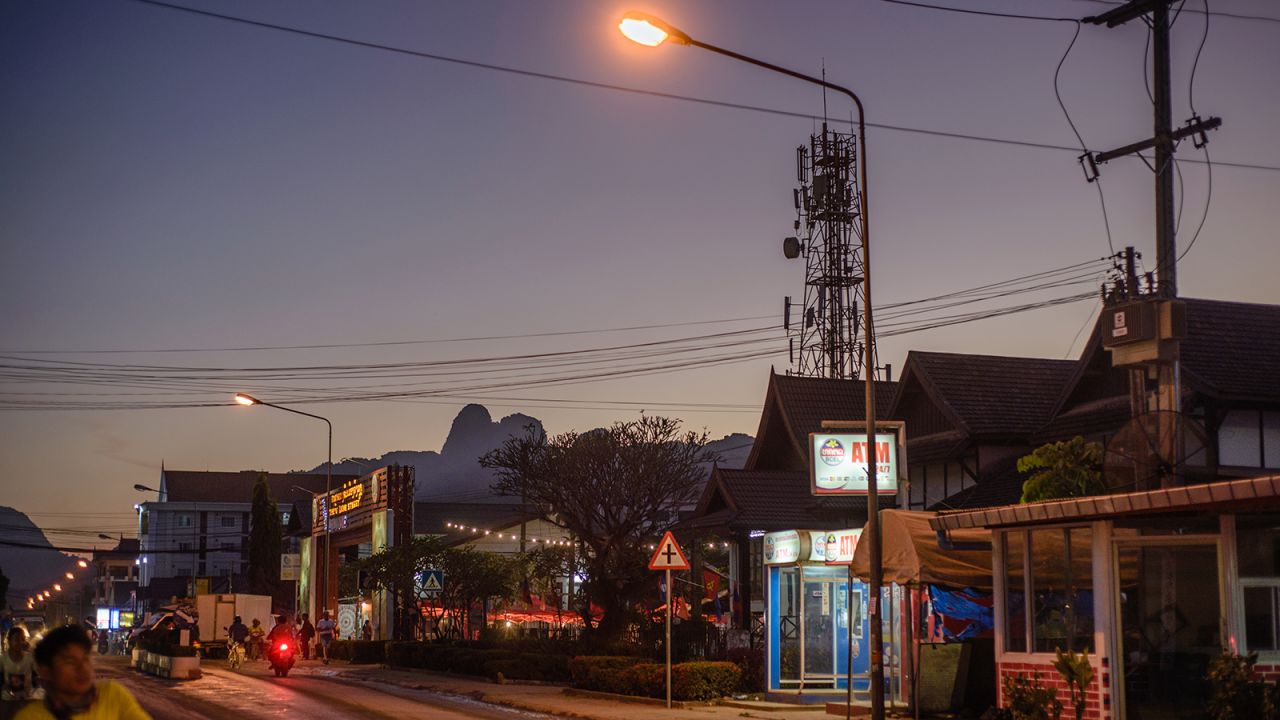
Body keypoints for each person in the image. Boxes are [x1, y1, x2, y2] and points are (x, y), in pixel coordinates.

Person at [15, 625, 150, 720]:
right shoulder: (30, 717)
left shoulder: (112, 696)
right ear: (46, 671)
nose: (82, 668)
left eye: (85, 658)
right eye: (70, 661)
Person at [2, 626, 37, 713]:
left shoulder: (30, 657)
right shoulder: (3, 659)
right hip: (8, 699)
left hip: (27, 698)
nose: (20, 642)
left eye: (23, 639)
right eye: (17, 639)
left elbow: (40, 671)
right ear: (9, 641)